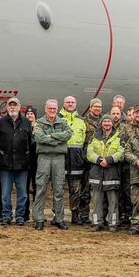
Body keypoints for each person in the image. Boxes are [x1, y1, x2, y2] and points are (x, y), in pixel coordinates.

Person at [30, 99, 73, 231]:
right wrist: (56, 140)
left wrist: (51, 137)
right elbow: (39, 138)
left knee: (59, 190)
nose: (52, 111)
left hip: (59, 159)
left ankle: (59, 219)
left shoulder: (63, 122)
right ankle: (38, 219)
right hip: (44, 158)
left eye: (54, 109)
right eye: (50, 109)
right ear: (45, 109)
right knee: (41, 188)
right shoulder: (40, 123)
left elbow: (69, 134)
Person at [0, 98, 36, 226]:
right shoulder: (0, 122)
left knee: (22, 193)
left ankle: (20, 216)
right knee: (5, 193)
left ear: (19, 108)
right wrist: (1, 153)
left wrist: (26, 155)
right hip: (5, 164)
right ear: (7, 108)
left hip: (22, 164)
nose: (12, 108)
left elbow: (30, 141)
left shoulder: (26, 122)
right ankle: (6, 216)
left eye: (15, 105)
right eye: (10, 106)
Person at [86, 114, 123, 231]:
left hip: (112, 172)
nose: (107, 124)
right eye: (104, 121)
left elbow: (121, 152)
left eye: (109, 121)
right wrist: (98, 159)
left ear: (112, 123)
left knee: (113, 201)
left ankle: (113, 223)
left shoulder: (119, 137)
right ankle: (97, 222)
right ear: (101, 123)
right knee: (96, 201)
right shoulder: (94, 137)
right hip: (97, 172)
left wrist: (109, 160)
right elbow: (89, 152)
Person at [60, 96, 90, 225]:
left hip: (77, 160)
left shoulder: (81, 120)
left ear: (76, 104)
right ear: (64, 104)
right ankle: (58, 215)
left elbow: (84, 141)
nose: (70, 104)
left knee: (75, 190)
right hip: (61, 157)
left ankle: (75, 214)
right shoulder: (58, 119)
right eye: (68, 102)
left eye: (72, 102)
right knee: (58, 189)